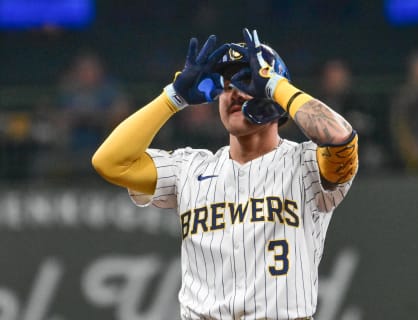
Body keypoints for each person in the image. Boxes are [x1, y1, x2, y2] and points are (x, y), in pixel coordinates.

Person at [92, 28, 358, 320]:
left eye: (247, 82)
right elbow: (110, 161)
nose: (233, 92)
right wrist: (173, 97)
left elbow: (341, 139)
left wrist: (275, 87)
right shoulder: (190, 168)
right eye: (226, 85)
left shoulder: (305, 163)